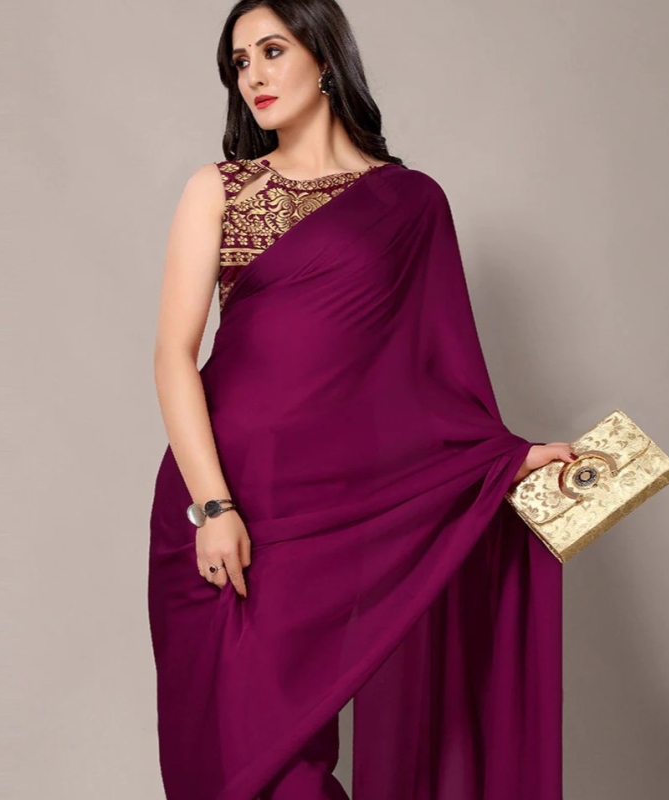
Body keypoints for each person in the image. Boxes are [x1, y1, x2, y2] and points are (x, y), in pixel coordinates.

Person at [148, 1, 576, 798]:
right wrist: (213, 507)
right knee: (222, 763)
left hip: (326, 517)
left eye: (272, 51)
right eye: (239, 62)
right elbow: (173, 357)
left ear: (324, 55)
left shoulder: (410, 204)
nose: (254, 76)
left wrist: (505, 460)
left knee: (289, 769)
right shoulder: (222, 190)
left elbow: (433, 376)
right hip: (219, 501)